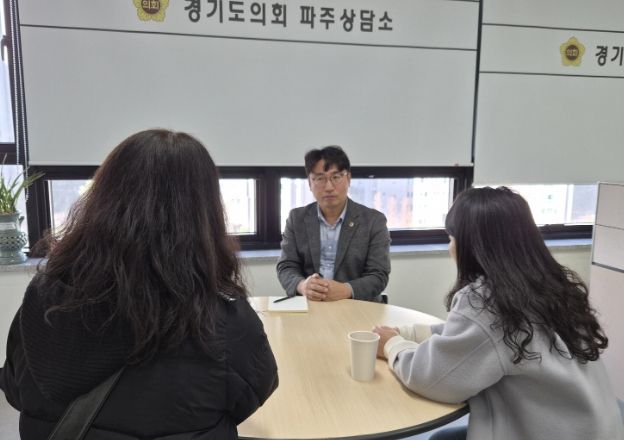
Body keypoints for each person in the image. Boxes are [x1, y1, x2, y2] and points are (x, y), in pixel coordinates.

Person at [0, 129, 278, 439]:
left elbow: (15, 389)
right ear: (205, 213)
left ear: (102, 197)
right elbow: (254, 392)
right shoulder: (222, 319)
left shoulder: (44, 298)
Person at [373, 186, 624, 440]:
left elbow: (433, 378)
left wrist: (393, 346)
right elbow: (472, 339)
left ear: (472, 245)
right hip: (594, 427)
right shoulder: (549, 284)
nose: (450, 248)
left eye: (451, 238)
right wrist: (411, 333)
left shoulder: (487, 302)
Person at [277, 146, 391, 302]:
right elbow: (286, 266)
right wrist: (302, 286)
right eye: (320, 178)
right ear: (309, 183)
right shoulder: (297, 218)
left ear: (348, 178)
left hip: (357, 306)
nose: (329, 187)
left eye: (336, 177)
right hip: (311, 305)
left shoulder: (373, 221)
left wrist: (346, 290)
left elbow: (379, 275)